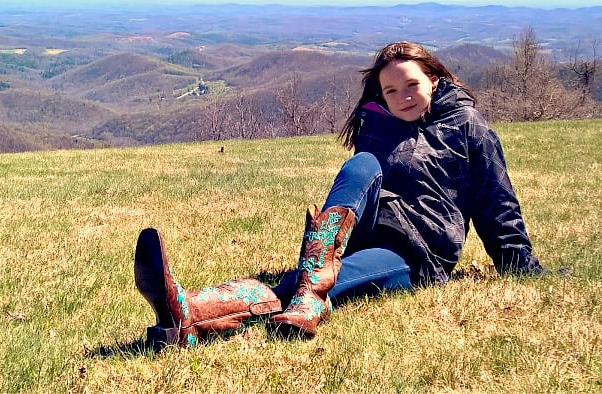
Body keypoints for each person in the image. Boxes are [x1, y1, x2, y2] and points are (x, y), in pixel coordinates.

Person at [133, 41, 543, 349]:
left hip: (415, 250)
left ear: (434, 81)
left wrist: (519, 263)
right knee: (362, 164)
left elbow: (497, 201)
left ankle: (188, 313)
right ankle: (308, 284)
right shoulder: (377, 126)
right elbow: (362, 181)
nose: (402, 97)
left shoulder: (469, 127)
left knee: (311, 282)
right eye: (390, 90)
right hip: (359, 230)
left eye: (411, 85)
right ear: (380, 94)